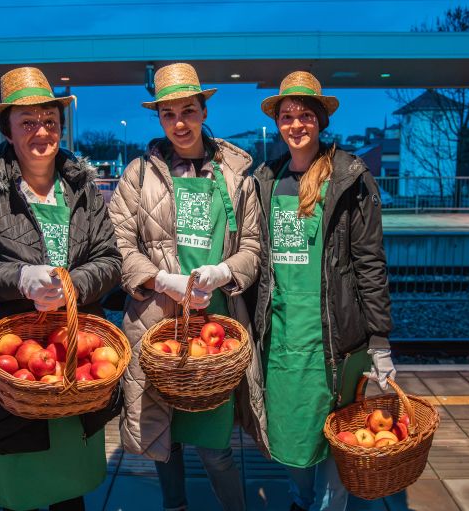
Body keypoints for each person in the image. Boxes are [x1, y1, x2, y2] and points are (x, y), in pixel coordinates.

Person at [0, 67, 122, 511]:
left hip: (73, 360)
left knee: (68, 486)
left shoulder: (82, 189)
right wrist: (19, 278)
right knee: (19, 489)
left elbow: (111, 260)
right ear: (8, 130)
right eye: (28, 123)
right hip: (10, 370)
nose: (42, 132)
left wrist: (72, 284)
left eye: (50, 122)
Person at [108, 62, 266, 511]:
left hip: (217, 335)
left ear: (203, 110)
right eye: (169, 114)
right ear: (159, 118)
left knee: (216, 450)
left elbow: (253, 246)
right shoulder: (138, 176)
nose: (180, 123)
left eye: (189, 111)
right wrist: (160, 278)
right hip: (157, 328)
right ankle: (174, 506)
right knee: (165, 440)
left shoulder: (237, 178)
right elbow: (119, 243)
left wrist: (224, 272)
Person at [248, 71, 395, 511]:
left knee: (340, 430)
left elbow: (370, 262)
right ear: (278, 123)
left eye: (305, 115)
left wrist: (381, 337)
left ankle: (330, 507)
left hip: (336, 335)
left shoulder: (350, 177)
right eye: (288, 116)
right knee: (291, 429)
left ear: (320, 121)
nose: (296, 125)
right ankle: (300, 498)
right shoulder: (266, 179)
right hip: (282, 337)